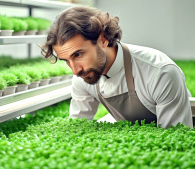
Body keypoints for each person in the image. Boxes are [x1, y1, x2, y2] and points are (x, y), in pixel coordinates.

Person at [41, 6, 193, 128]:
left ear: (103, 39)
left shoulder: (160, 72)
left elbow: (174, 138)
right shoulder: (83, 76)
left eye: (78, 55)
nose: (75, 70)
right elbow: (77, 126)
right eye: (66, 60)